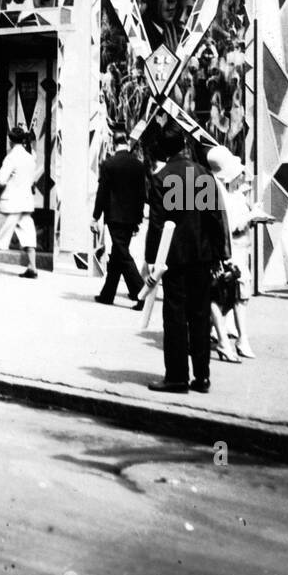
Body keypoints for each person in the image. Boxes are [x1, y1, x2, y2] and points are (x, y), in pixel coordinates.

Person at [144, 128, 229, 394]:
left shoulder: (162, 177)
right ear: (183, 145)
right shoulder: (203, 175)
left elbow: (157, 223)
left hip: (174, 258)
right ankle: (202, 377)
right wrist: (219, 255)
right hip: (202, 256)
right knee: (200, 315)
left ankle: (177, 377)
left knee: (175, 315)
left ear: (165, 149)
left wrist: (151, 260)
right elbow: (215, 218)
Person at [207, 146, 259, 360]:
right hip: (232, 253)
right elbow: (229, 226)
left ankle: (232, 337)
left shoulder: (232, 193)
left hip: (239, 250)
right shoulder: (221, 195)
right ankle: (237, 339)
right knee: (234, 296)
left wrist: (252, 217)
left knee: (236, 297)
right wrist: (251, 216)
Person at [92, 130, 147, 308]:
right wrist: (138, 219)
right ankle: (107, 294)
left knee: (122, 254)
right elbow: (141, 194)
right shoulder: (138, 166)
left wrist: (95, 216)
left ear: (114, 143)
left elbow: (102, 192)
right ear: (126, 143)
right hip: (131, 217)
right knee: (117, 254)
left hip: (114, 216)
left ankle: (141, 293)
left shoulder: (109, 164)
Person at [0, 127, 39, 277]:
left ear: (10, 141)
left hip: (10, 202)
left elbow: (1, 180)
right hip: (26, 202)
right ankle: (33, 267)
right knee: (28, 235)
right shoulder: (30, 157)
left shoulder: (11, 157)